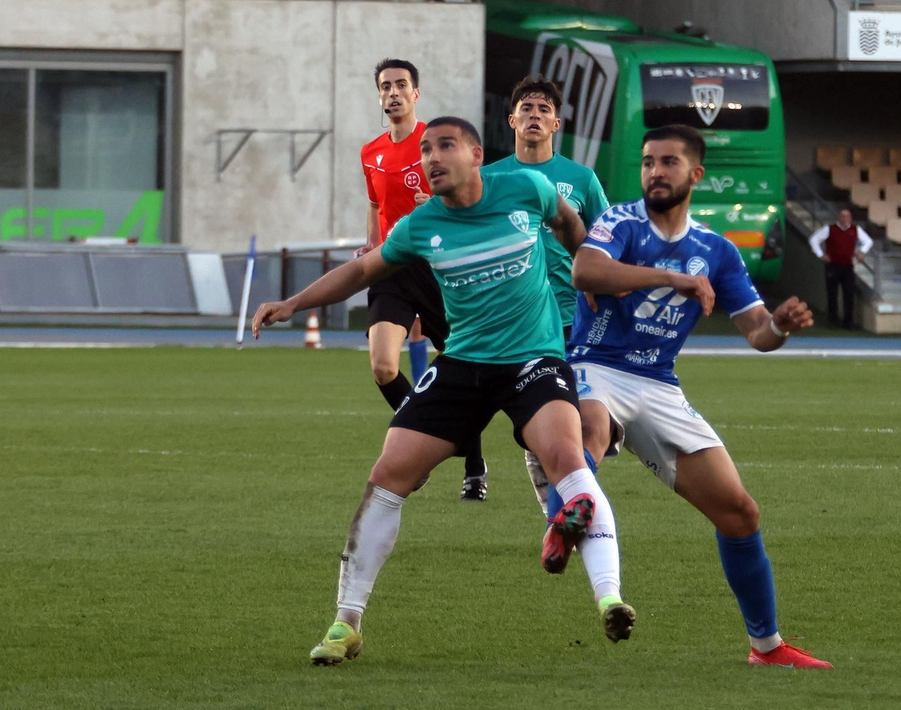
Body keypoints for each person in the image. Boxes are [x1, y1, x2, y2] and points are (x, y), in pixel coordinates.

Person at [254, 116, 638, 665]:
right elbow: (363, 271)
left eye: (446, 146)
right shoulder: (421, 224)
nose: (431, 158)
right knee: (389, 474)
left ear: (477, 155)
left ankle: (610, 599)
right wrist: (294, 303)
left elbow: (571, 223)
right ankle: (346, 623)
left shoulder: (527, 188)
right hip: (462, 363)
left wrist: (587, 274)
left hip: (533, 356)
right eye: (427, 149)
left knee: (567, 460)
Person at [534, 124, 833, 669]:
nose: (655, 172)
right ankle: (560, 526)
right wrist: (672, 278)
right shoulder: (621, 222)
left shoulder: (716, 250)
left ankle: (766, 649)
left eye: (668, 162)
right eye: (648, 162)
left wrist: (782, 326)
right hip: (593, 364)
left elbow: (757, 333)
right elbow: (584, 269)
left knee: (740, 512)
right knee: (593, 431)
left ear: (696, 174)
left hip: (660, 384)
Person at [358, 59, 488, 501]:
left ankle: (473, 463)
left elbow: (470, 193)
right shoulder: (370, 152)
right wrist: (371, 246)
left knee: (462, 366)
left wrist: (433, 199)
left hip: (437, 266)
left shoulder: (434, 142)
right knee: (382, 366)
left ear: (416, 94)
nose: (392, 92)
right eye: (385, 86)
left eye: (400, 85)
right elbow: (376, 207)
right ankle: (424, 441)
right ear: (379, 96)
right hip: (393, 268)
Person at [482, 74, 610, 506]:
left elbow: (606, 243)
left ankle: (568, 508)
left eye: (544, 110)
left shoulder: (581, 178)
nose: (534, 115)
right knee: (538, 424)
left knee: (576, 422)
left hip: (574, 316)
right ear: (511, 119)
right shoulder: (489, 178)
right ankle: (563, 510)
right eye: (527, 109)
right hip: (515, 322)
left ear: (557, 124)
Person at [808, 208, 872, 329]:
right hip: (833, 265)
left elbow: (868, 241)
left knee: (849, 294)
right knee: (832, 293)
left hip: (848, 266)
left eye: (847, 216)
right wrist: (820, 254)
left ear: (850, 218)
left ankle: (848, 321)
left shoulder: (855, 229)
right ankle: (833, 321)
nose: (844, 218)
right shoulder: (830, 229)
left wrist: (861, 252)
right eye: (842, 216)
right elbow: (814, 239)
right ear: (838, 217)